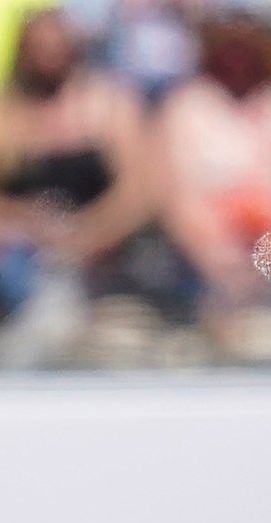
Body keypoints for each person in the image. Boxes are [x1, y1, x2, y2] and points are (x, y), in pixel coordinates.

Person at [0, 6, 157, 365]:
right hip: (22, 257)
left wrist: (86, 234)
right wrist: (25, 218)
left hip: (101, 255)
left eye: (57, 48)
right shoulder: (0, 111)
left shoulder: (108, 103)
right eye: (39, 49)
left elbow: (138, 194)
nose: (49, 58)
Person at [157, 7, 271, 355]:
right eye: (228, 44)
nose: (237, 56)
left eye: (246, 44)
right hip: (203, 262)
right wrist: (220, 264)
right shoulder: (185, 106)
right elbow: (175, 199)